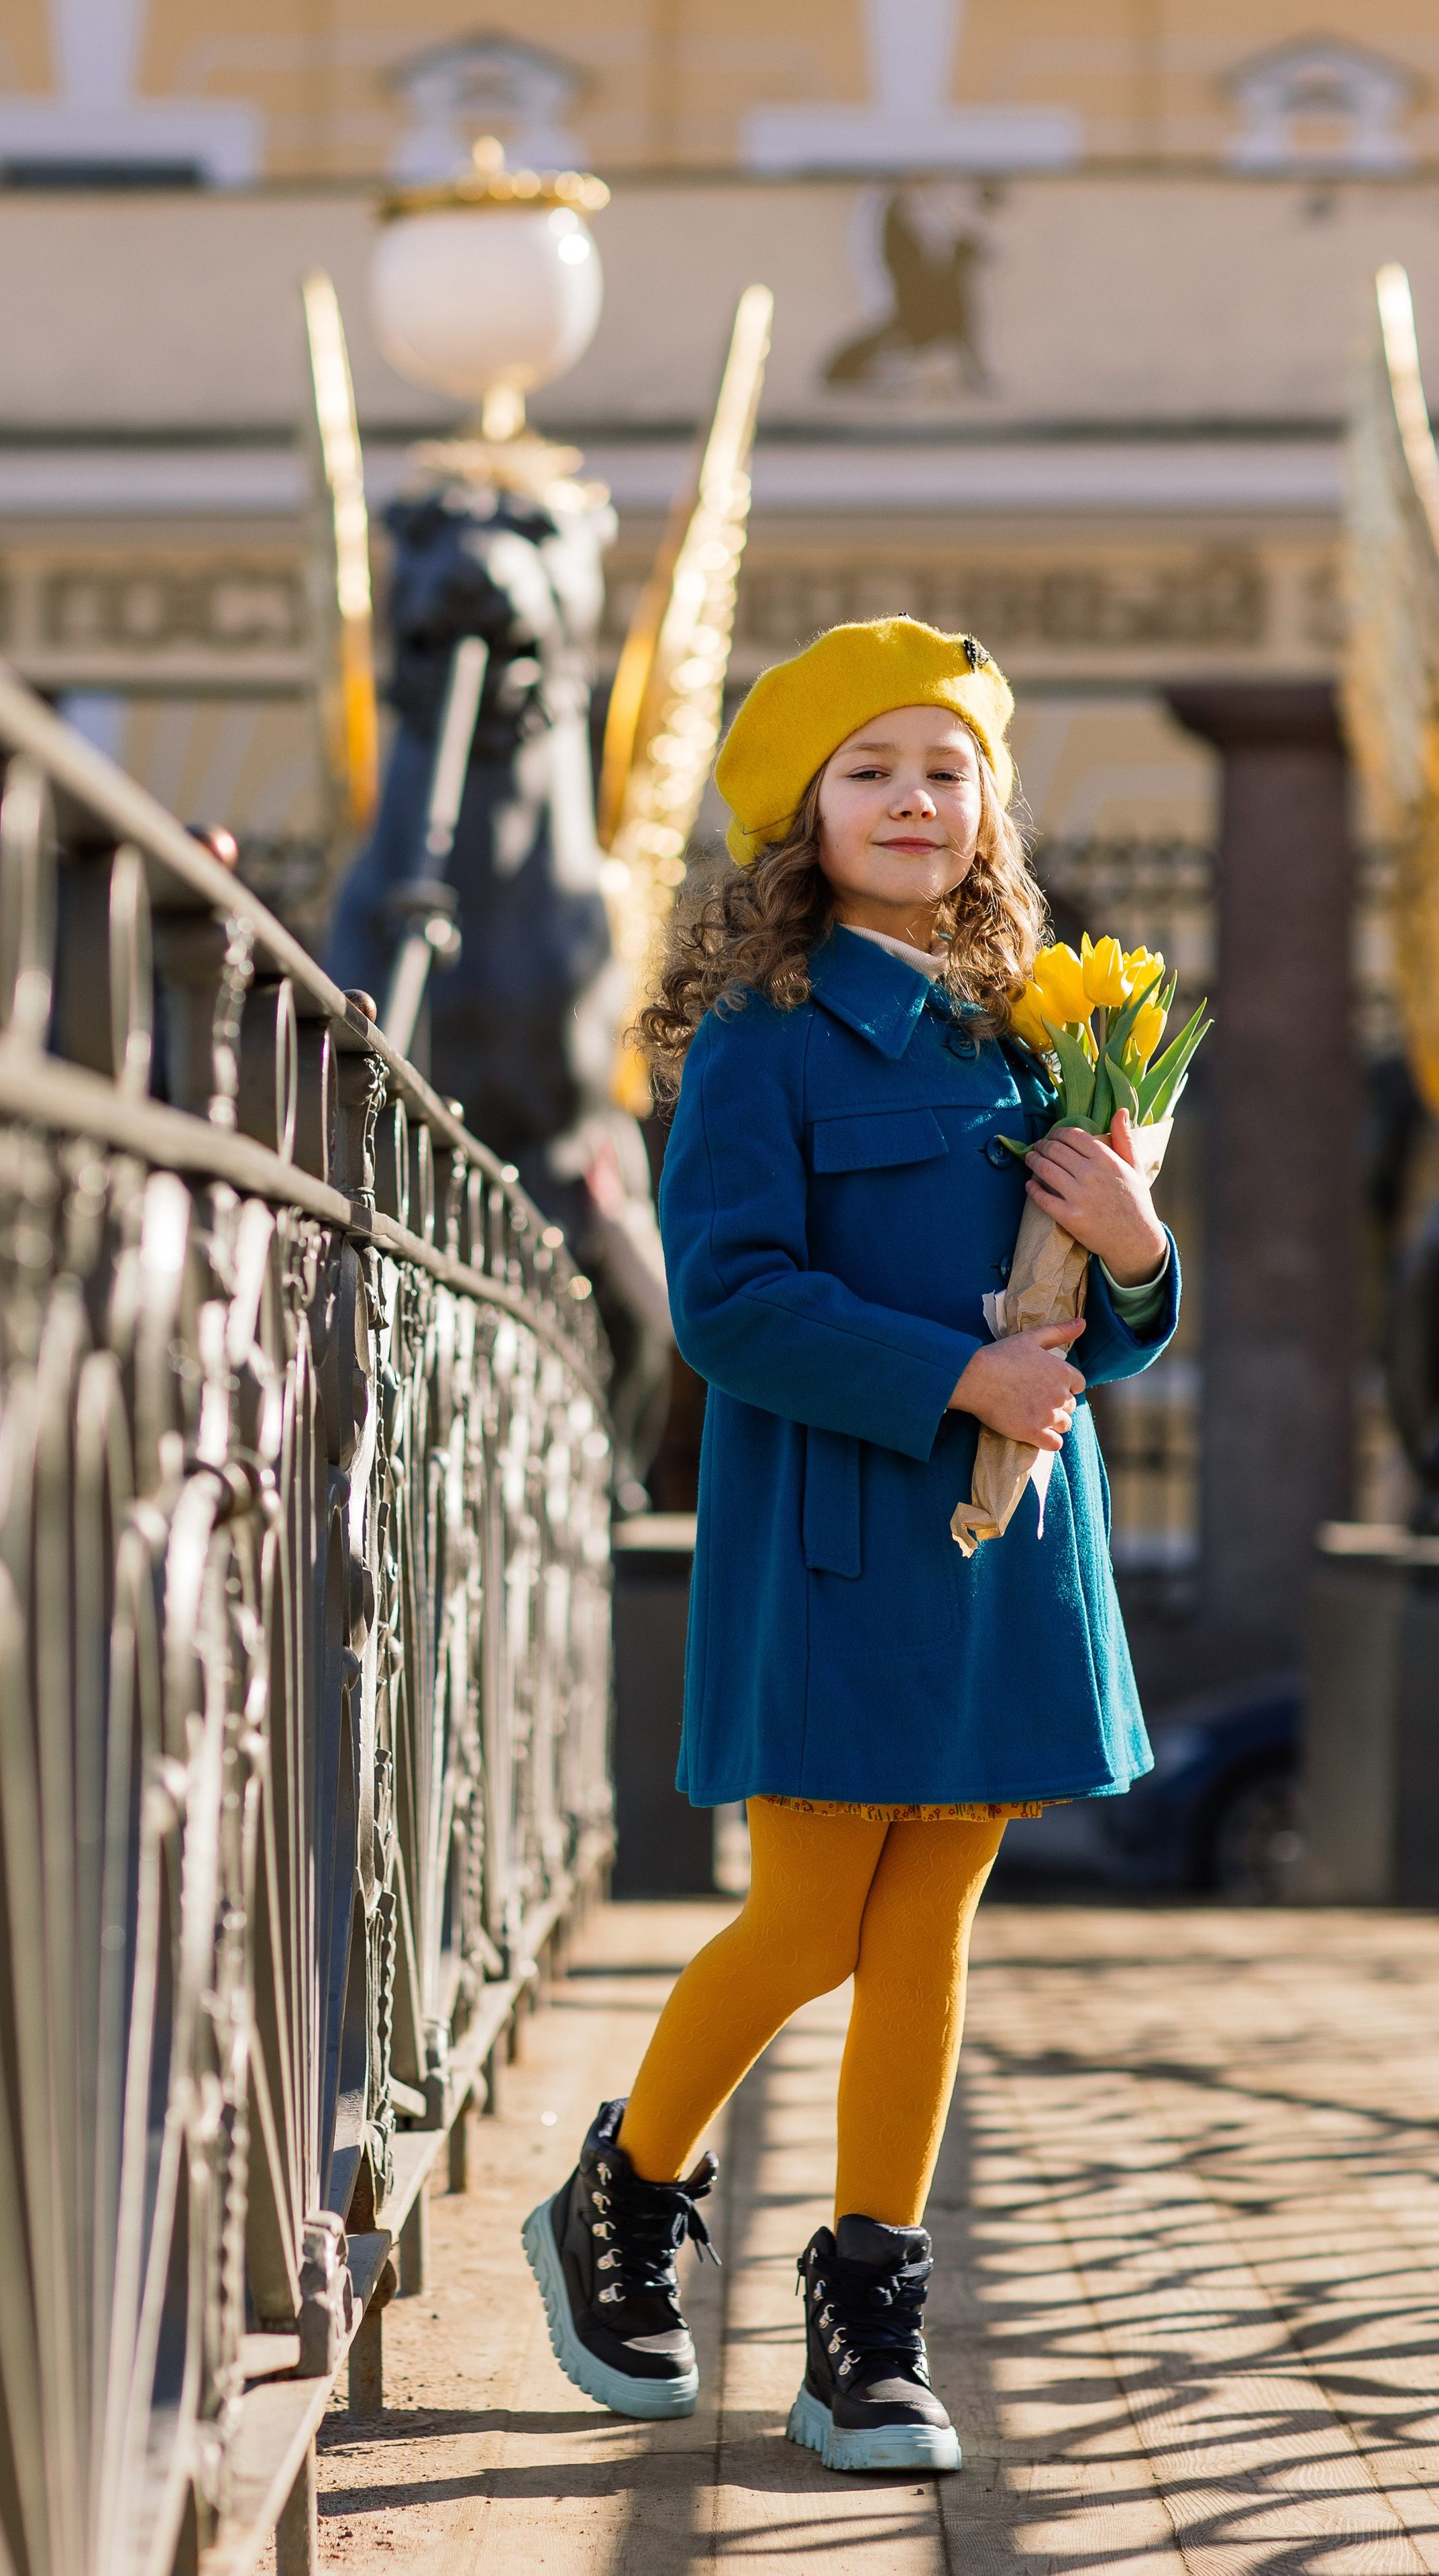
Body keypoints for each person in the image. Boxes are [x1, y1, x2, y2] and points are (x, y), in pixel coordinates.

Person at [521, 618, 1177, 2475]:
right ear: (803, 816)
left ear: (990, 809)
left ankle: (866, 2328)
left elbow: (1099, 1332)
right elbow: (724, 1304)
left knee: (931, 1929)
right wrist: (956, 1369)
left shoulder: (1035, 1032)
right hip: (835, 1544)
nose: (913, 798)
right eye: (871, 769)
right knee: (811, 1920)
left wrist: (1135, 1249)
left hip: (1000, 1548)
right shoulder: (762, 1046)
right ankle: (622, 2202)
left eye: (946, 768)